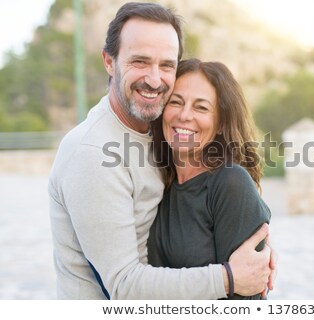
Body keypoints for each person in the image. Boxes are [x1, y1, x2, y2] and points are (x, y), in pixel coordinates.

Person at [48, 2, 273, 299]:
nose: (154, 80)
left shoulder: (154, 134)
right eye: (139, 61)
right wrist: (229, 277)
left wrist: (254, 252)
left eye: (166, 65)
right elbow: (125, 286)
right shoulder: (93, 151)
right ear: (108, 61)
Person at [147, 59, 271, 300]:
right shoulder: (158, 179)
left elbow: (249, 299)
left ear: (221, 123)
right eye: (176, 102)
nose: (184, 115)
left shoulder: (231, 183)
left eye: (201, 108)